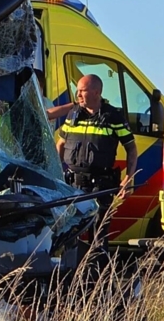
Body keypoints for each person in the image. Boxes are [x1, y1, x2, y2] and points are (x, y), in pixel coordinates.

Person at [56, 75, 138, 254]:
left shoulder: (113, 116)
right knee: (70, 235)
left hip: (100, 186)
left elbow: (131, 149)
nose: (77, 95)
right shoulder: (74, 114)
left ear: (96, 92)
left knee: (98, 236)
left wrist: (128, 179)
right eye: (77, 90)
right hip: (72, 186)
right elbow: (61, 144)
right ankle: (72, 277)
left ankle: (97, 276)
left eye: (82, 91)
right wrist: (54, 173)